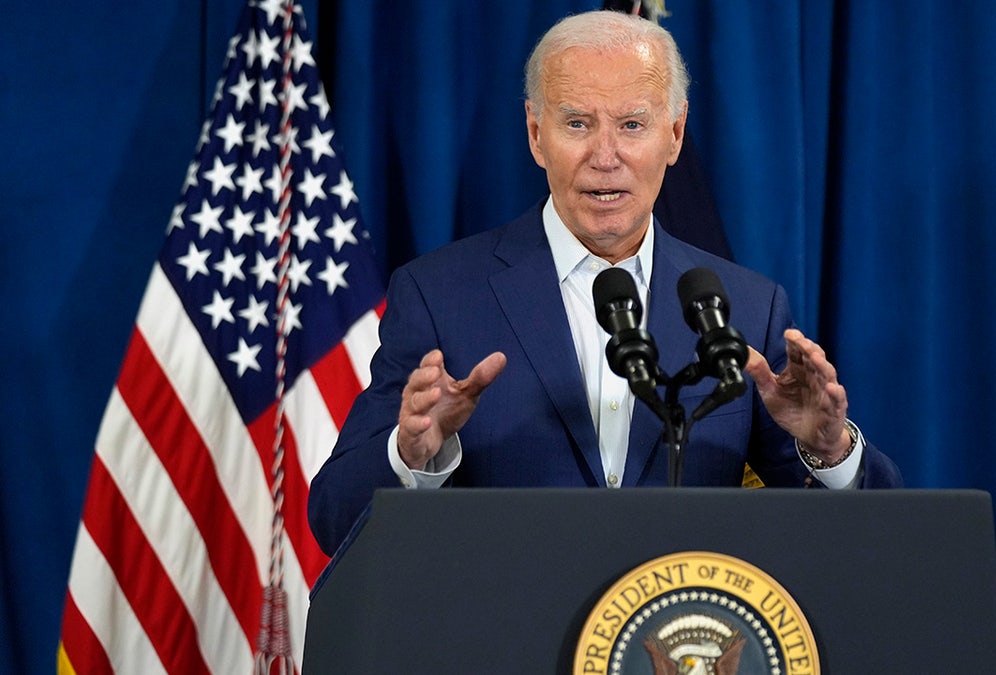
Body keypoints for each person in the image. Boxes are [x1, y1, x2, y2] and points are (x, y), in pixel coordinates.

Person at [308, 10, 902, 555]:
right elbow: (335, 519)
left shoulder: (744, 305)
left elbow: (870, 541)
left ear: (674, 135)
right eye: (577, 123)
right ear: (536, 134)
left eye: (632, 125)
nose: (606, 155)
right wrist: (413, 456)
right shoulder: (440, 296)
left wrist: (830, 450)